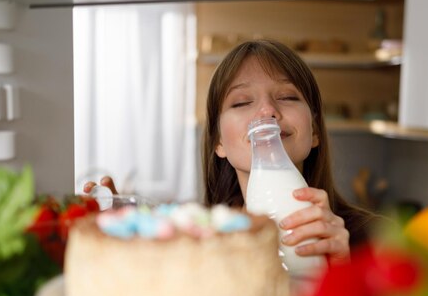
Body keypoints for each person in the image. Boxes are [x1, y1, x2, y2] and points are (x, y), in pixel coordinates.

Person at [84, 39, 377, 266]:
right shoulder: (200, 240)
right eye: (241, 103)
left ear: (314, 132)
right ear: (218, 142)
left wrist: (343, 271)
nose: (267, 112)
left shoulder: (375, 238)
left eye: (287, 96)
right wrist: (127, 238)